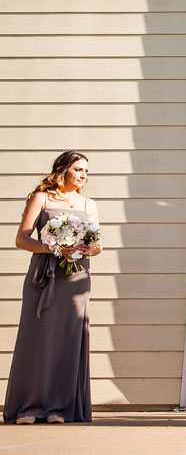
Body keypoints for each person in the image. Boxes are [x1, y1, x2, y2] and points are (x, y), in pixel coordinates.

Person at [5, 150, 101, 424]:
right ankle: (29, 408)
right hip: (44, 275)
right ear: (63, 169)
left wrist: (83, 249)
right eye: (78, 169)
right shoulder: (42, 197)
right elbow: (22, 239)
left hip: (76, 277)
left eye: (86, 171)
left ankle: (60, 408)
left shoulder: (88, 204)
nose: (83, 175)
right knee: (37, 338)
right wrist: (53, 248)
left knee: (67, 340)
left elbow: (97, 246)